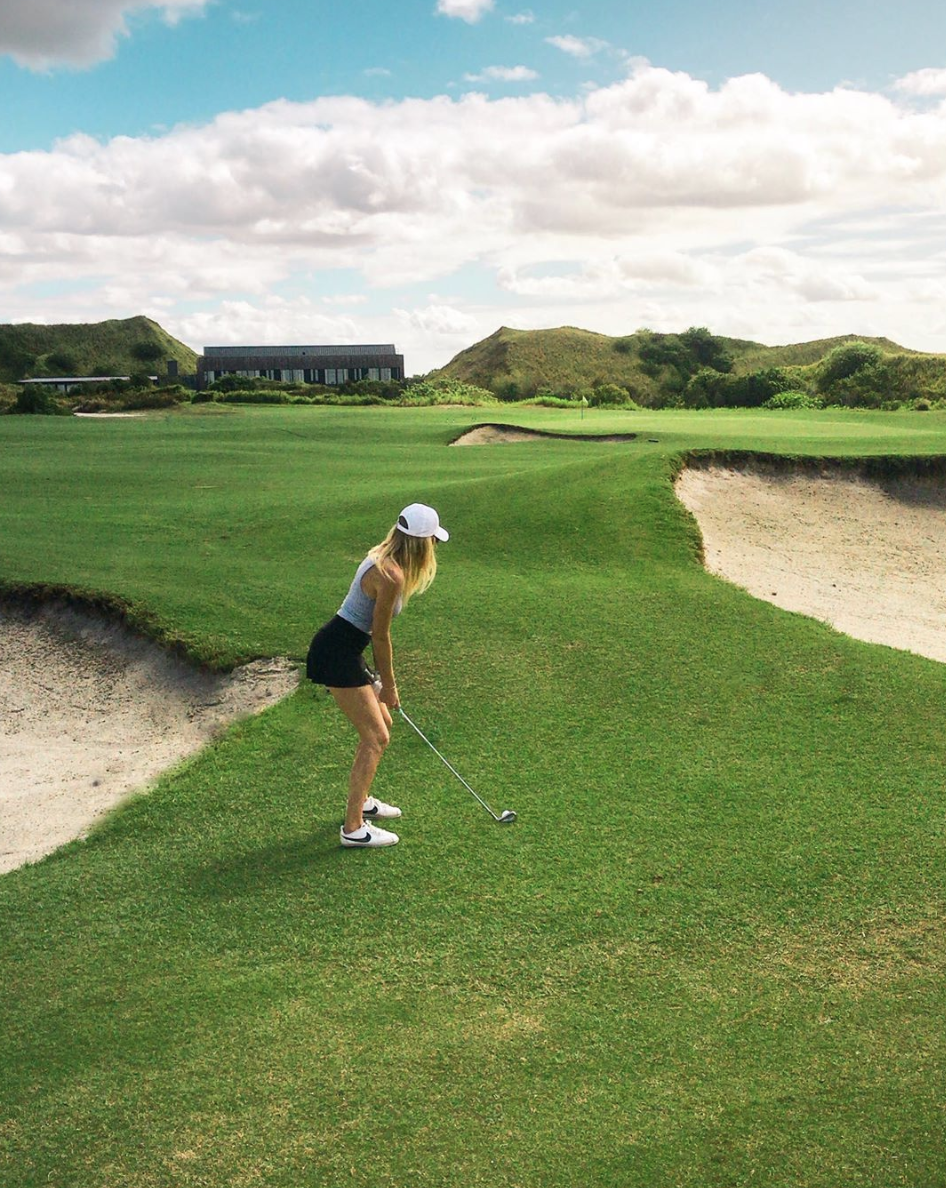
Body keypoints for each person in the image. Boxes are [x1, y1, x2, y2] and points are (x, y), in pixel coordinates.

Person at [307, 503, 449, 847]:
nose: (434, 548)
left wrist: (380, 684)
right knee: (376, 737)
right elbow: (381, 635)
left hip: (346, 648)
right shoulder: (391, 575)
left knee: (382, 726)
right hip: (336, 652)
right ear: (419, 543)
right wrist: (390, 686)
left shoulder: (385, 556)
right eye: (432, 541)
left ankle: (363, 802)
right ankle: (353, 829)